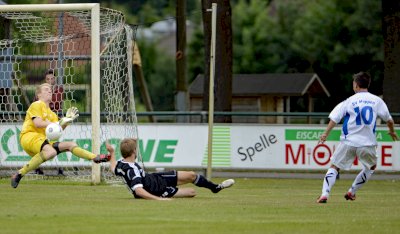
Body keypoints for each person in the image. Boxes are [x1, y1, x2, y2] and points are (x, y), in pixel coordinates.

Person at [316, 72, 398, 203]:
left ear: (356, 85)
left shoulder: (349, 101)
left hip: (348, 142)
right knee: (370, 167)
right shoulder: (377, 101)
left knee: (334, 166)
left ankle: (325, 194)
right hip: (368, 143)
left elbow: (334, 118)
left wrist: (326, 133)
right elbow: (389, 120)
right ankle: (352, 191)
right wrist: (392, 131)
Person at [11, 83, 111, 188]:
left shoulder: (52, 115)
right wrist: (58, 123)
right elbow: (38, 123)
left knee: (70, 144)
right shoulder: (36, 104)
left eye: (50, 89)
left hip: (42, 141)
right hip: (29, 136)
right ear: (38, 95)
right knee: (51, 151)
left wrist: (67, 121)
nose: (49, 91)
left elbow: (57, 131)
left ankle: (95, 157)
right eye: (45, 89)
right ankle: (19, 174)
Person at [105, 138, 235, 200]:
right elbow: (138, 191)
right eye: (136, 148)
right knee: (192, 192)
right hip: (156, 190)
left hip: (155, 179)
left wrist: (111, 153)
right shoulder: (132, 170)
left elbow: (113, 168)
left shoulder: (121, 163)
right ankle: (213, 187)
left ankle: (215, 188)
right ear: (134, 151)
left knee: (191, 175)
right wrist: (159, 199)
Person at [34, 69, 64, 175]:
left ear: (55, 79)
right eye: (48, 79)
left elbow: (56, 104)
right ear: (45, 80)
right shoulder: (41, 91)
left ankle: (59, 168)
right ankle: (37, 167)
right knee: (41, 145)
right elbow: (36, 103)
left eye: (52, 78)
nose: (50, 81)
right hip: (43, 122)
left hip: (54, 121)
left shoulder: (59, 90)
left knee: (56, 144)